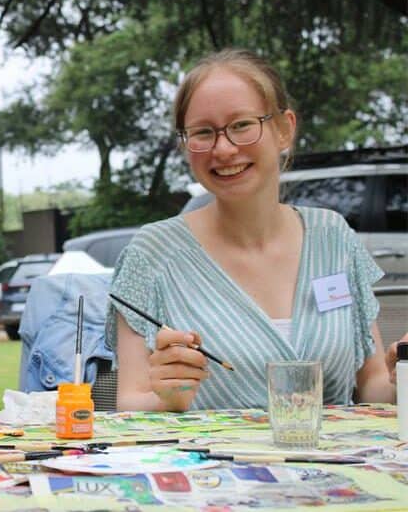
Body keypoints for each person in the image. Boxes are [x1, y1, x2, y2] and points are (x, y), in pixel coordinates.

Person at [107, 48, 404, 412]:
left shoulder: (334, 237)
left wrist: (400, 379)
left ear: (285, 129)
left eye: (242, 125)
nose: (223, 149)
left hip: (331, 451)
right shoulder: (152, 254)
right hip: (210, 452)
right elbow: (129, 404)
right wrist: (167, 397)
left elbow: (372, 387)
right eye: (202, 132)